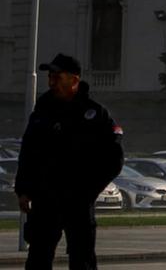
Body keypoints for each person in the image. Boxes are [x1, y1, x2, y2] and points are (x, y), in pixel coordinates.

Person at [15, 53, 122, 270]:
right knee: (38, 257)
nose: (52, 81)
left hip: (78, 202)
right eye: (50, 77)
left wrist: (89, 190)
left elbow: (113, 159)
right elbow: (29, 152)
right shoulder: (42, 110)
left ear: (74, 80)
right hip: (46, 200)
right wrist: (23, 189)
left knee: (81, 258)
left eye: (57, 76)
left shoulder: (94, 113)